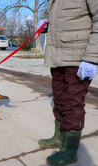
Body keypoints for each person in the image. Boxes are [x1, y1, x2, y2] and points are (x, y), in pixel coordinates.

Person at [37, 0, 98, 165]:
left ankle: (70, 150)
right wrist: (47, 24)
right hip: (57, 58)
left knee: (72, 103)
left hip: (78, 59)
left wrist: (92, 58)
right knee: (59, 99)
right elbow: (68, 22)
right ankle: (59, 138)